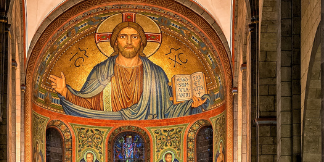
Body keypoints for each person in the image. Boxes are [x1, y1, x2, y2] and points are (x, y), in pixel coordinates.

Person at [48, 20, 209, 120]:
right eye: (123, 36)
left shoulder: (156, 73)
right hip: (107, 131)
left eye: (135, 37)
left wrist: (191, 105)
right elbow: (87, 105)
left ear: (142, 42)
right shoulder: (102, 71)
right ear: (115, 42)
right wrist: (65, 92)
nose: (129, 41)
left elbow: (166, 112)